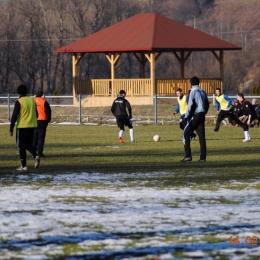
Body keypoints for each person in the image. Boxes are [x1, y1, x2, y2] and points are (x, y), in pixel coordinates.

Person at [9, 84, 40, 171]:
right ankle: (35, 155)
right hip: (32, 125)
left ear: (18, 92)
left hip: (22, 126)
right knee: (28, 144)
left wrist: (11, 128)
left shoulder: (19, 101)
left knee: (21, 146)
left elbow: (14, 115)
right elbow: (37, 114)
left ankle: (24, 166)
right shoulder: (32, 100)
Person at [181, 76, 209, 162]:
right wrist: (204, 112)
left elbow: (190, 104)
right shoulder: (203, 91)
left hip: (195, 115)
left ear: (191, 83)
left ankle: (188, 156)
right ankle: (203, 158)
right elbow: (207, 103)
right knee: (202, 137)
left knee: (185, 133)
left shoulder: (192, 91)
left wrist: (186, 116)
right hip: (202, 114)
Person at [33, 88, 52, 157]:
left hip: (34, 121)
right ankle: (40, 152)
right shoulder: (44, 101)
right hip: (43, 121)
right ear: (42, 94)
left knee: (34, 137)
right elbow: (48, 112)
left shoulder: (32, 101)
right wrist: (48, 120)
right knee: (41, 137)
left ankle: (33, 151)